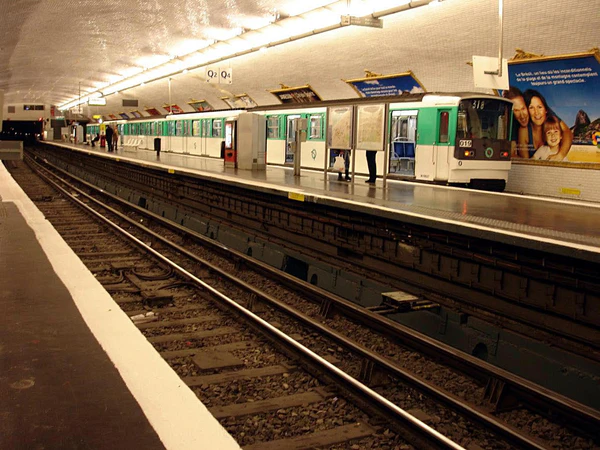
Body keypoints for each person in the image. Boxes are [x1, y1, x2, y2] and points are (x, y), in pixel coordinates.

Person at [520, 89, 572, 160]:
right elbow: (525, 163)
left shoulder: (551, 120)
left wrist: (560, 155)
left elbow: (567, 131)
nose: (536, 112)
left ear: (546, 110)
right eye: (531, 108)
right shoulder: (524, 130)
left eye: (539, 107)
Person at [503, 87, 530, 158]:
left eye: (523, 108)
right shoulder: (511, 124)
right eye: (516, 110)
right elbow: (511, 154)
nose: (522, 115)